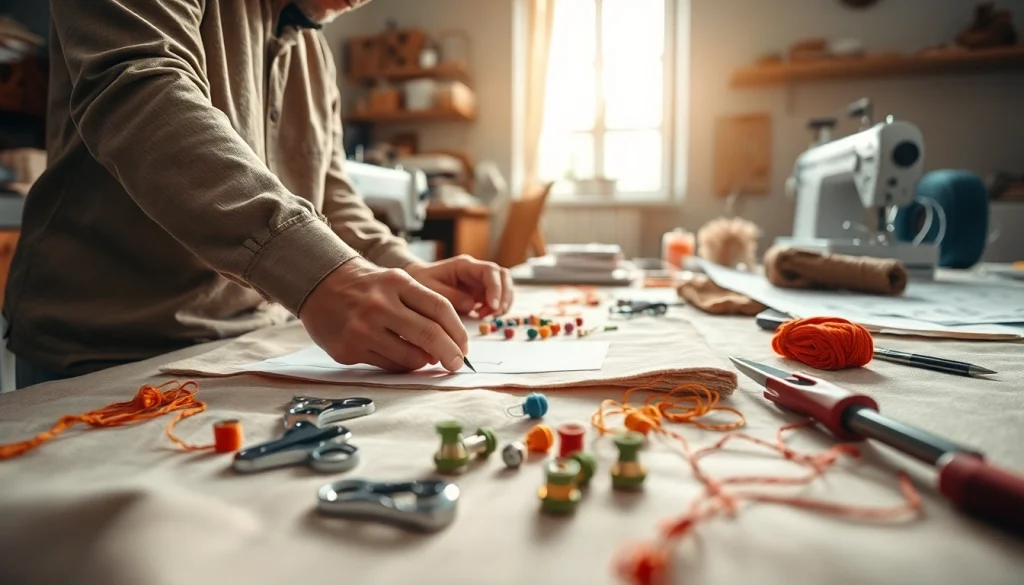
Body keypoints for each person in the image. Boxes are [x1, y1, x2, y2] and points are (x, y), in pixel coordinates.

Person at [2, 0, 513, 390]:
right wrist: (322, 275)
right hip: (102, 350)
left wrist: (401, 270)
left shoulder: (313, 51)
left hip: (246, 349)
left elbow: (330, 192)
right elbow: (140, 91)